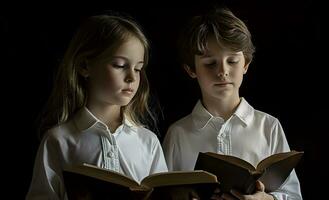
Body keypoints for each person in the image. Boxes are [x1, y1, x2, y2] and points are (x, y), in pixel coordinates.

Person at [162, 6, 303, 200]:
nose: (223, 71)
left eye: (232, 61)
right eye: (210, 63)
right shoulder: (178, 133)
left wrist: (267, 199)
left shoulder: (269, 126)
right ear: (191, 70)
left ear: (245, 64)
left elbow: (294, 195)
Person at [26, 13, 168, 199]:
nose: (132, 78)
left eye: (138, 68)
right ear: (85, 66)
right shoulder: (59, 140)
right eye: (119, 65)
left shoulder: (148, 142)